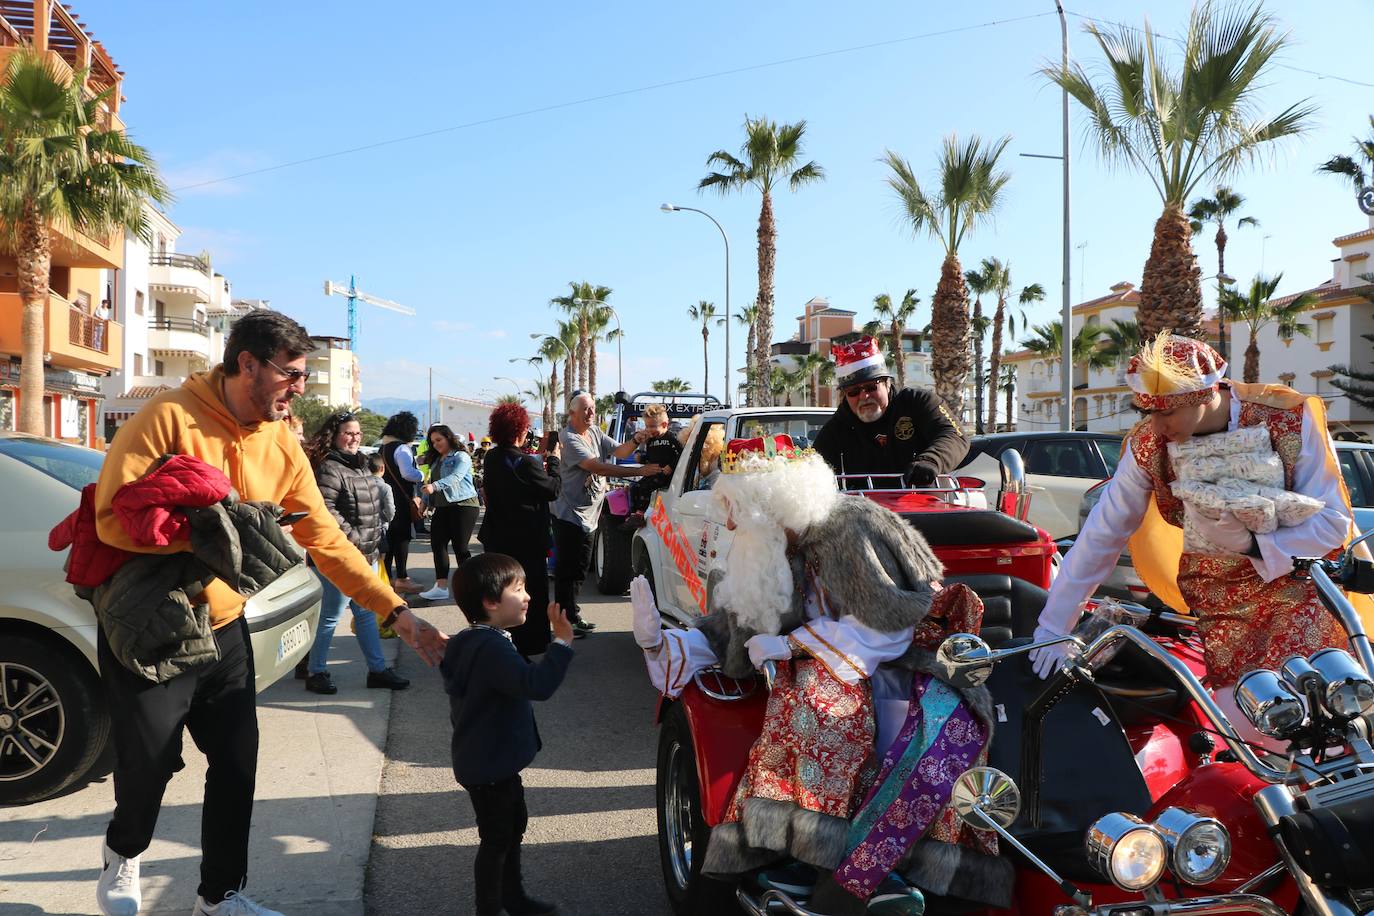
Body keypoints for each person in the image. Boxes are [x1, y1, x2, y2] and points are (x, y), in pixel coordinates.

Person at [90, 310, 447, 916]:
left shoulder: (281, 440)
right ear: (247, 363)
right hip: (155, 626)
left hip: (226, 628)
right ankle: (124, 851)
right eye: (292, 374)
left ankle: (219, 896)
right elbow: (110, 521)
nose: (300, 389)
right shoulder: (168, 417)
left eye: (304, 377)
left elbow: (325, 537)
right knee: (147, 767)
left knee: (236, 766)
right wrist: (218, 533)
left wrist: (395, 611)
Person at [630, 437, 1009, 914]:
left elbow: (890, 628)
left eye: (735, 508)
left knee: (815, 695)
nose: (728, 522)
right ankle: (806, 849)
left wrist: (792, 644)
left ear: (770, 505)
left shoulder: (848, 528)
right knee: (802, 688)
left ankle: (871, 864)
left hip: (907, 664)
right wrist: (660, 642)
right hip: (846, 662)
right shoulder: (777, 548)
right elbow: (733, 631)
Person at [1028, 333, 1368, 743]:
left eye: (1167, 412)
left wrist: (1254, 546)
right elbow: (1103, 533)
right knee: (1250, 723)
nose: (1156, 425)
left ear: (1206, 394)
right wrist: (1054, 627)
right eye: (1146, 411)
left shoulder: (1289, 417)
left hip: (1299, 592)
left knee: (1329, 709)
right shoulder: (1148, 444)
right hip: (1219, 601)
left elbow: (1332, 522)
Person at [442, 553, 575, 916]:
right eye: (518, 589)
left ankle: (512, 898)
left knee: (512, 827)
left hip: (490, 761)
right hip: (490, 766)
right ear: (490, 602)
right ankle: (490, 907)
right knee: (498, 838)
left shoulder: (475, 640)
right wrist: (561, 643)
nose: (528, 595)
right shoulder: (491, 648)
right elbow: (536, 684)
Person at [297, 410, 409, 694]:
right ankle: (316, 672)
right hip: (340, 557)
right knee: (331, 617)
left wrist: (370, 541)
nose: (354, 437)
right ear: (334, 436)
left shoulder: (359, 464)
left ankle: (378, 670)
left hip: (366, 555)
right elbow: (326, 509)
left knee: (366, 614)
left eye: (358, 433)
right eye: (348, 432)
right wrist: (354, 537)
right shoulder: (329, 467)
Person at [552, 391, 665, 636]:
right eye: (586, 409)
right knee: (567, 572)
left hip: (591, 514)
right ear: (572, 413)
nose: (591, 413)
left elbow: (621, 452)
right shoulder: (569, 439)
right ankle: (564, 622)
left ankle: (572, 615)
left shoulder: (593, 431)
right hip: (569, 514)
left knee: (581, 568)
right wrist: (641, 471)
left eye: (592, 408)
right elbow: (598, 466)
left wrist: (637, 439)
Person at [813, 335, 969, 488]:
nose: (864, 396)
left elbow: (955, 435)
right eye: (853, 391)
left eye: (871, 387)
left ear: (887, 384)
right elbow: (813, 463)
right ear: (845, 395)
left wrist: (931, 461)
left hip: (921, 503)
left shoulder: (919, 402)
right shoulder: (837, 428)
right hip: (865, 510)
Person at [478, 403, 562, 657]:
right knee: (528, 592)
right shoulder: (526, 463)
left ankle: (503, 641)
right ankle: (530, 644)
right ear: (519, 431)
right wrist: (554, 460)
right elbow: (552, 490)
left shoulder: (491, 457)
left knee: (502, 590)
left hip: (497, 536)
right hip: (526, 540)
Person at [419, 425, 481, 601]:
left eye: (439, 440)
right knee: (437, 544)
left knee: (460, 548)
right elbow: (432, 481)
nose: (436, 444)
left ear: (448, 437)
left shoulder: (461, 456)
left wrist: (433, 487)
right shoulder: (437, 459)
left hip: (464, 505)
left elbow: (455, 478)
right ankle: (441, 587)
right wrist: (424, 502)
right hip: (442, 506)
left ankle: (471, 587)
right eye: (433, 442)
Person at [379, 411, 424, 594]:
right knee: (402, 538)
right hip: (401, 498)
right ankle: (403, 578)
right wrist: (421, 474)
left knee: (389, 538)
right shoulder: (402, 448)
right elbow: (407, 474)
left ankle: (387, 578)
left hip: (384, 497)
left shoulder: (383, 448)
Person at [625, 403, 683, 518]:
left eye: (652, 426)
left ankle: (640, 514)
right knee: (634, 487)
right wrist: (641, 458)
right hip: (653, 473)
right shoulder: (650, 441)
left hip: (665, 476)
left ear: (664, 424)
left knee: (645, 487)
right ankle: (633, 514)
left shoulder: (672, 438)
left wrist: (671, 466)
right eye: (647, 426)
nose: (649, 430)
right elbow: (651, 458)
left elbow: (682, 454)